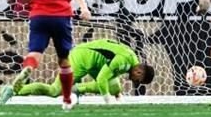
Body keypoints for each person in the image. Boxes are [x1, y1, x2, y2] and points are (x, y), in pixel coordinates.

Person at [12, 38, 154, 102]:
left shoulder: (132, 59)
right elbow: (102, 78)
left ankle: (76, 90)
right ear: (139, 72)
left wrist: (117, 94)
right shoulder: (123, 62)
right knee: (55, 91)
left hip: (94, 62)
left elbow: (112, 78)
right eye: (138, 80)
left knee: (115, 85)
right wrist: (107, 99)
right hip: (80, 59)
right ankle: (15, 90)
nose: (135, 81)